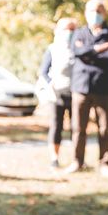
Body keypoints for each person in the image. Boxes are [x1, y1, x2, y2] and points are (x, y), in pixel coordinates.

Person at [66, 0, 108, 176]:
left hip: (103, 88)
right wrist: (98, 49)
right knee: (78, 128)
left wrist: (88, 53)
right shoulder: (79, 33)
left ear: (104, 13)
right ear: (85, 13)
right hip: (80, 87)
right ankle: (77, 161)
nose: (95, 15)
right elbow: (77, 52)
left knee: (104, 128)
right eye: (91, 11)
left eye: (98, 11)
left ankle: (104, 163)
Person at [39, 17, 76, 168]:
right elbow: (44, 71)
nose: (69, 32)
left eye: (72, 29)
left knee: (76, 127)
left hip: (75, 93)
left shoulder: (78, 48)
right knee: (56, 126)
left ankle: (77, 158)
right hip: (56, 94)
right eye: (66, 29)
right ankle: (54, 158)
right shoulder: (52, 48)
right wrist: (51, 83)